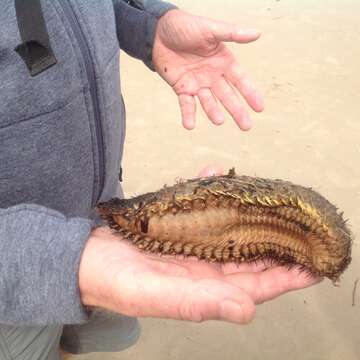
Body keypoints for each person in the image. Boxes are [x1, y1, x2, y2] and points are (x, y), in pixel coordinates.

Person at [0, 0, 321, 359]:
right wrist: (61, 262)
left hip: (104, 211)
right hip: (16, 265)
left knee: (72, 337)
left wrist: (150, 25)